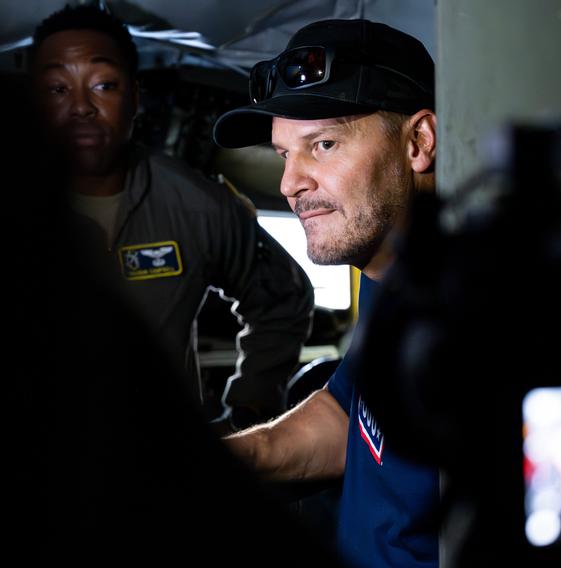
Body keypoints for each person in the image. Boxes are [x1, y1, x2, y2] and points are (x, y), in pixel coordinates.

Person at [212, 18, 440, 568]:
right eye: (284, 154)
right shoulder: (390, 282)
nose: (292, 183)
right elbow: (349, 417)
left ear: (418, 142)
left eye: (324, 143)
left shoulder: (474, 310)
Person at [28, 5, 314, 428]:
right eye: (57, 89)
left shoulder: (193, 205)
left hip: (163, 469)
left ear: (136, 98)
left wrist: (249, 410)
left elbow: (283, 299)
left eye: (104, 84)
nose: (81, 107)